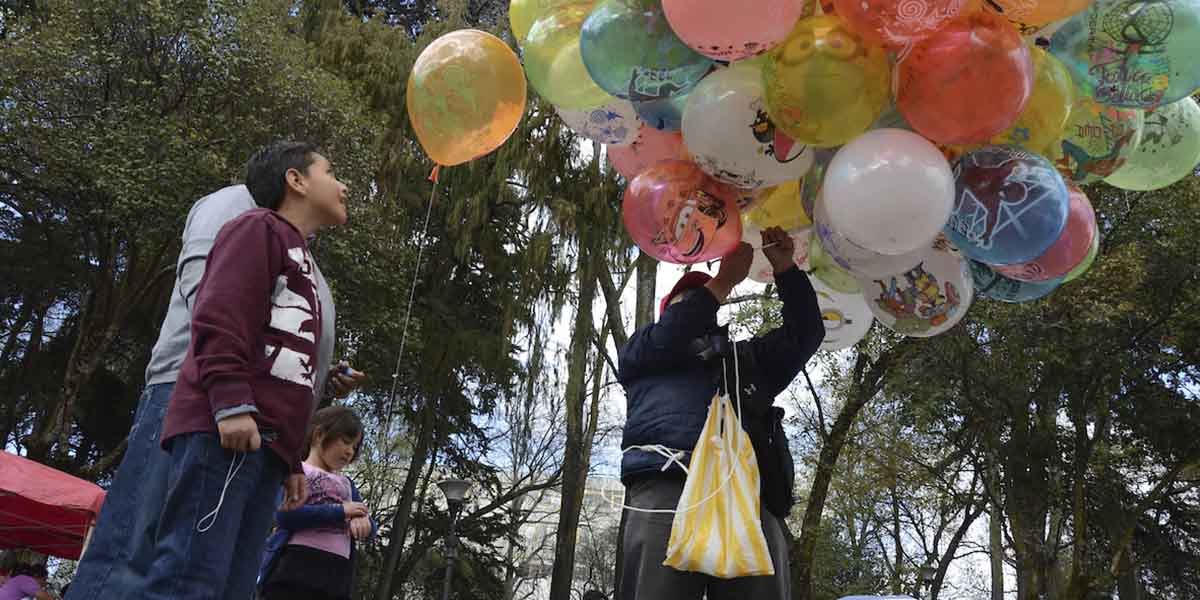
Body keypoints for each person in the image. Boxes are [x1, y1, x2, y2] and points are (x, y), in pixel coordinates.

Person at [67, 150, 365, 599]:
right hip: (213, 410)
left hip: (265, 437)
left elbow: (280, 340)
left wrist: (290, 453)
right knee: (163, 558)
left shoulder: (299, 253)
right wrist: (229, 400)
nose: (344, 185)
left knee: (229, 578)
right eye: (332, 172)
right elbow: (216, 307)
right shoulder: (247, 219)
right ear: (295, 180)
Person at [617, 226, 825, 600]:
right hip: (668, 485)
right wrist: (721, 283)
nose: (700, 300)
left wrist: (787, 272)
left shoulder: (746, 360)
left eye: (704, 297)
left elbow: (806, 333)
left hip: (747, 494)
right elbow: (673, 334)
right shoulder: (643, 351)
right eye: (689, 299)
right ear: (667, 313)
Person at [257, 406, 377, 600]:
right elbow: (284, 515)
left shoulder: (348, 484)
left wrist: (365, 522)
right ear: (319, 434)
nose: (349, 452)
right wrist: (339, 512)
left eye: (354, 447)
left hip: (338, 576)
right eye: (346, 442)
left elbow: (368, 523)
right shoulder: (297, 472)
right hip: (295, 568)